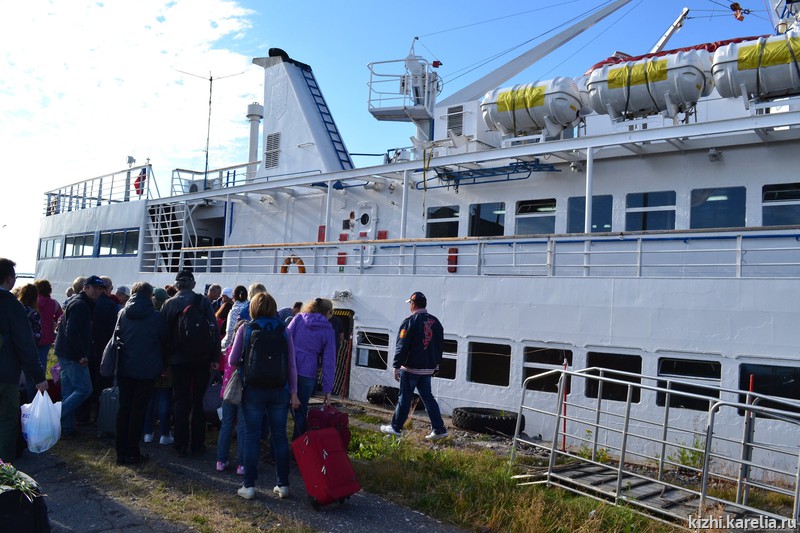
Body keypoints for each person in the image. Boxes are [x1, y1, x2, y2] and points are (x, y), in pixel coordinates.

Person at [230, 292, 299, 500]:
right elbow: (291, 365)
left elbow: (232, 360)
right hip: (279, 389)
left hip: (253, 389)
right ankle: (283, 485)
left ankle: (249, 486)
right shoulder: (284, 330)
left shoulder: (246, 328)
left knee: (252, 436)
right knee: (279, 436)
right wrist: (294, 392)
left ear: (253, 308)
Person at [161, 270, 220, 456]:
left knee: (181, 400)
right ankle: (198, 444)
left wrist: (164, 362)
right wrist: (215, 358)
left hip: (178, 359)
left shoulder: (169, 303)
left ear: (176, 285)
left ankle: (180, 444)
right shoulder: (203, 301)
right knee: (198, 400)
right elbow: (214, 330)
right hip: (202, 358)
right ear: (193, 284)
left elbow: (163, 336)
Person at [380, 292, 448, 440]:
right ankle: (439, 428)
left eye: (410, 303)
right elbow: (439, 346)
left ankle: (396, 427)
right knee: (428, 398)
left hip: (410, 368)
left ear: (413, 304)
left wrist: (396, 366)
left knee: (404, 397)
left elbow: (402, 345)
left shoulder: (409, 321)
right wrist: (436, 365)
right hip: (427, 369)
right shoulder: (436, 322)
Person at [114, 282, 166, 465]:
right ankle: (132, 451)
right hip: (147, 369)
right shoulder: (156, 317)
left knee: (124, 409)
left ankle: (120, 451)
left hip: (125, 367)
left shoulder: (122, 313)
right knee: (138, 410)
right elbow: (163, 342)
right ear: (150, 295)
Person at [0, 259, 47, 460]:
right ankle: (3, 467)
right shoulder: (12, 305)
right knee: (6, 421)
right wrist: (38, 376)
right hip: (5, 373)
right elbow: (25, 345)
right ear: (9, 279)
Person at [54, 275, 106, 437]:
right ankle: (54, 417)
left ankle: (66, 428)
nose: (97, 291)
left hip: (65, 351)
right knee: (84, 389)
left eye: (100, 289)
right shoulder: (81, 305)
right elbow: (72, 331)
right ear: (85, 287)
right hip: (72, 354)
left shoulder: (80, 302)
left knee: (69, 391)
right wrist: (82, 354)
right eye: (94, 288)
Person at [286, 298, 336, 440]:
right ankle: (298, 447)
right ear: (328, 312)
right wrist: (327, 390)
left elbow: (286, 338)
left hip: (288, 367)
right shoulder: (328, 329)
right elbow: (329, 362)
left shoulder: (299, 318)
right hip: (308, 371)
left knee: (281, 409)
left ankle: (276, 447)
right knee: (301, 411)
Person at [142, 286, 173, 445]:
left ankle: (147, 433)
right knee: (164, 399)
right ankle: (164, 434)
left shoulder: (147, 316)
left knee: (149, 400)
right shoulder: (166, 317)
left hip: (149, 363)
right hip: (164, 363)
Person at [216, 319, 247, 475]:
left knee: (226, 425)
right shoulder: (247, 354)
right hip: (243, 393)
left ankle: (221, 461)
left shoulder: (229, 350)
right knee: (242, 427)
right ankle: (242, 464)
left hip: (227, 393)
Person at [17, 284, 42, 401]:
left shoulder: (17, 309)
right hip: (29, 349)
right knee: (30, 380)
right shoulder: (34, 313)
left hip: (15, 349)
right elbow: (37, 334)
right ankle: (30, 403)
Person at [34, 279, 62, 379]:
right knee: (42, 362)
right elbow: (61, 318)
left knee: (29, 362)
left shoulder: (32, 302)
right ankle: (41, 383)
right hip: (46, 337)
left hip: (32, 336)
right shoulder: (54, 303)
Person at [221, 286, 248, 351]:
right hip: (247, 345)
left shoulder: (234, 310)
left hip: (235, 345)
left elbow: (230, 331)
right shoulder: (250, 308)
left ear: (233, 296)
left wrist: (222, 345)